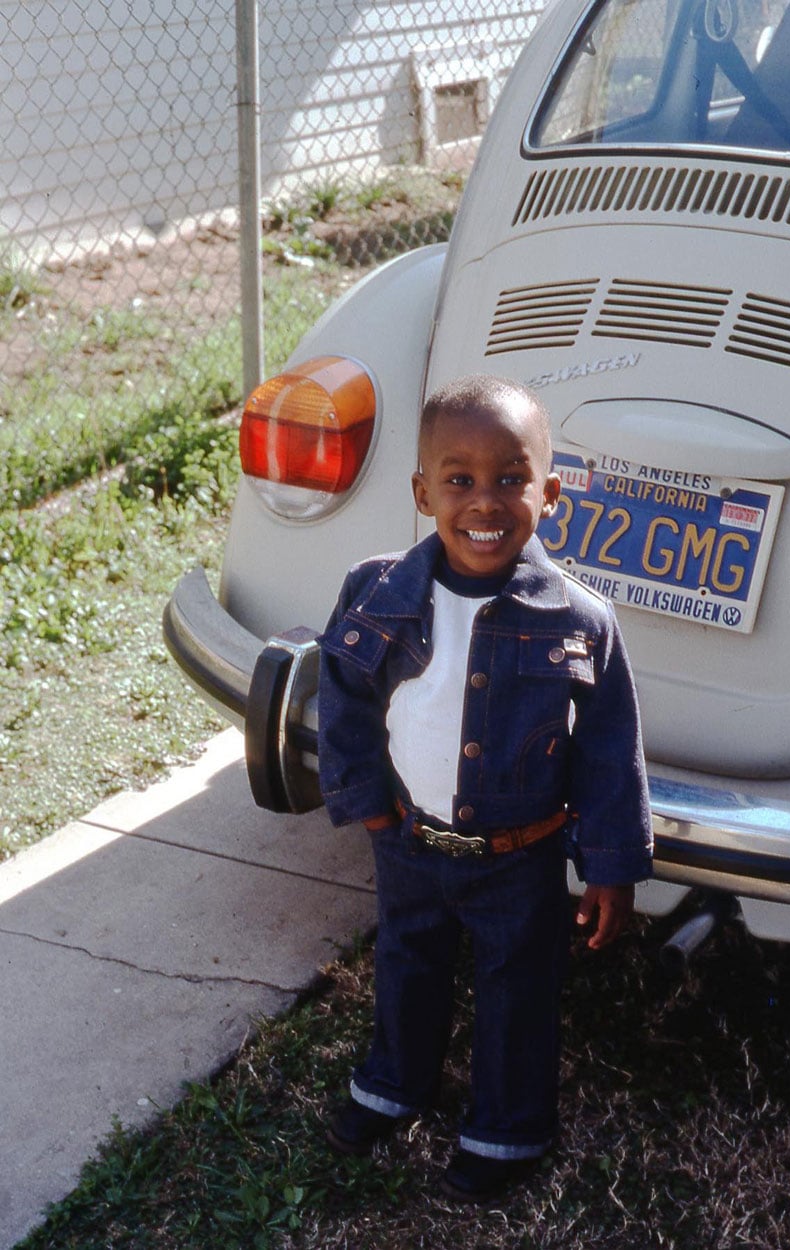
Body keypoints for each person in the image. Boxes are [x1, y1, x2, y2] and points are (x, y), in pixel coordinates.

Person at [317, 373, 653, 1203]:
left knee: (517, 986)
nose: (485, 501)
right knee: (407, 959)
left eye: (511, 478)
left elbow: (611, 748)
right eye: (459, 479)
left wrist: (609, 863)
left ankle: (506, 1130)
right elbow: (344, 696)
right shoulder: (380, 593)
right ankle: (395, 1083)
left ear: (552, 491)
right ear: (423, 490)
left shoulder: (577, 620)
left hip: (521, 855)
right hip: (409, 840)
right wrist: (365, 800)